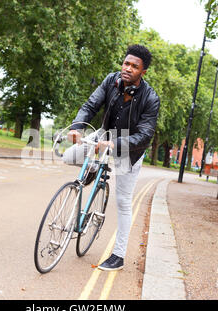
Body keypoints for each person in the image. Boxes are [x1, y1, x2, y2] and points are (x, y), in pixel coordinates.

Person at [66, 44, 160, 271]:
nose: (127, 68)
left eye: (134, 66)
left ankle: (118, 256)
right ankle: (92, 171)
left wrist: (113, 144)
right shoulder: (111, 80)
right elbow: (90, 105)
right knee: (69, 157)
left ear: (143, 72)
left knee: (123, 201)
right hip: (105, 134)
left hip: (129, 149)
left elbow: (144, 135)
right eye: (126, 63)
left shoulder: (151, 99)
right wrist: (77, 127)